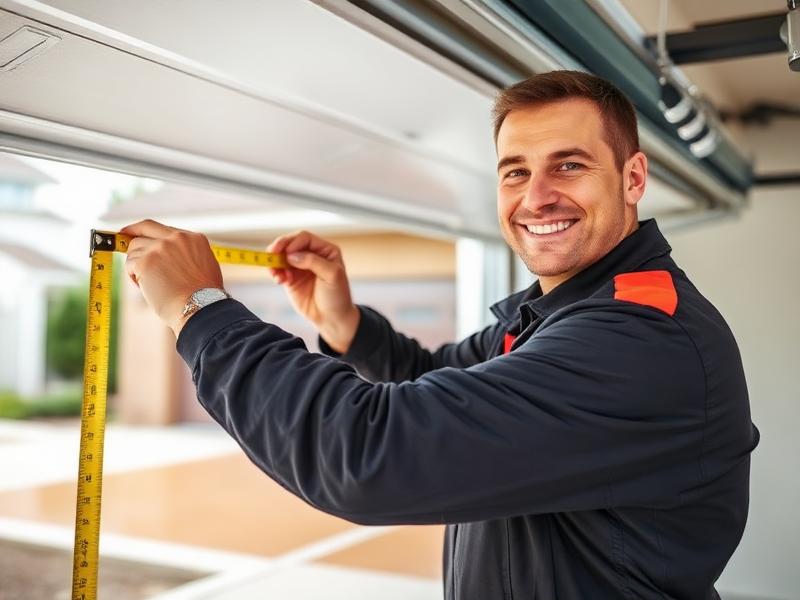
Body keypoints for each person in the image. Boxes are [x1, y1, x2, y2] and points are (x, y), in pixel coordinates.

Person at [121, 70, 759, 599]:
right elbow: (432, 381)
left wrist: (201, 311)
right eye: (515, 171)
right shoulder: (554, 318)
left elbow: (373, 454)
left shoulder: (640, 339)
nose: (536, 197)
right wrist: (343, 325)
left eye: (569, 165)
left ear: (633, 179)